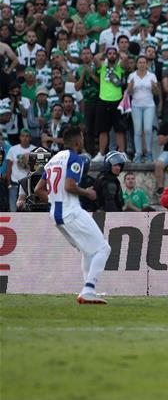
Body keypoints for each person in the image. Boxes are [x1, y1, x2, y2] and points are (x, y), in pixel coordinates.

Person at [33, 126, 111, 304]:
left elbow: (38, 189)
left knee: (88, 250)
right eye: (82, 138)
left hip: (56, 213)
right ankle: (89, 289)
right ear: (77, 142)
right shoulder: (75, 158)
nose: (83, 141)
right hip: (71, 211)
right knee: (103, 248)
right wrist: (87, 193)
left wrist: (54, 200)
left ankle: (87, 290)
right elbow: (69, 186)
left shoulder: (52, 160)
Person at [15, 146, 52, 212]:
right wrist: (20, 203)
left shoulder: (53, 179)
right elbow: (21, 198)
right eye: (37, 163)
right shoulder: (25, 181)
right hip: (31, 213)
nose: (40, 167)